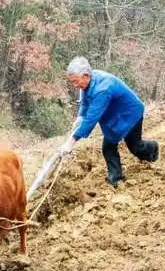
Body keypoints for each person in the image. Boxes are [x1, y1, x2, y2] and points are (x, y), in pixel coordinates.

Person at [60, 56, 159, 187]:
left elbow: (91, 119)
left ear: (85, 75)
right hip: (115, 116)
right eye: (72, 82)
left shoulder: (103, 88)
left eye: (76, 81)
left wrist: (71, 141)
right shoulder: (89, 81)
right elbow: (85, 102)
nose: (75, 85)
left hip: (130, 113)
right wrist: (80, 117)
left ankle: (153, 149)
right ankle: (116, 178)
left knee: (135, 147)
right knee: (108, 148)